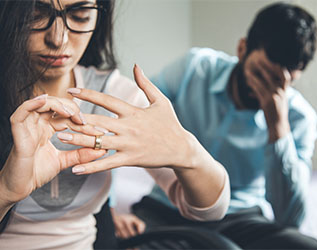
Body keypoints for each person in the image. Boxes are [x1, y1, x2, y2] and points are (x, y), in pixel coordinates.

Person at [0, 0, 230, 249]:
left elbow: (208, 210)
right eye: (36, 15)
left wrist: (189, 153)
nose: (58, 39)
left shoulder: (118, 96)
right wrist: (6, 192)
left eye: (80, 15)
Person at [126, 2, 317, 249]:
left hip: (240, 219)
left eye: (279, 82)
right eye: (261, 74)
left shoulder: (299, 118)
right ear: (242, 49)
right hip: (169, 208)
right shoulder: (195, 68)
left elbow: (289, 218)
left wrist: (278, 127)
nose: (265, 89)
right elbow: (133, 112)